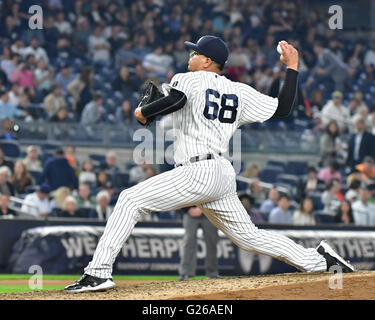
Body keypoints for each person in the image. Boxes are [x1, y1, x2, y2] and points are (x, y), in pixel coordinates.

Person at [65, 36, 354, 293]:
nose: (189, 56)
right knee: (250, 237)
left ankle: (97, 273)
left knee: (129, 200)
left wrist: (143, 111)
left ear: (207, 61)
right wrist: (292, 68)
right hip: (222, 174)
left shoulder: (187, 79)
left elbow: (176, 100)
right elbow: (283, 107)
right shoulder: (239, 91)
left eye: (194, 53)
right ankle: (319, 260)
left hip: (197, 170)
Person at [179, 206, 219, 281]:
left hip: (209, 211)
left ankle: (212, 273)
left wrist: (202, 208)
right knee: (189, 242)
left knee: (212, 242)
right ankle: (185, 273)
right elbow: (180, 195)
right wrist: (187, 209)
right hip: (190, 210)